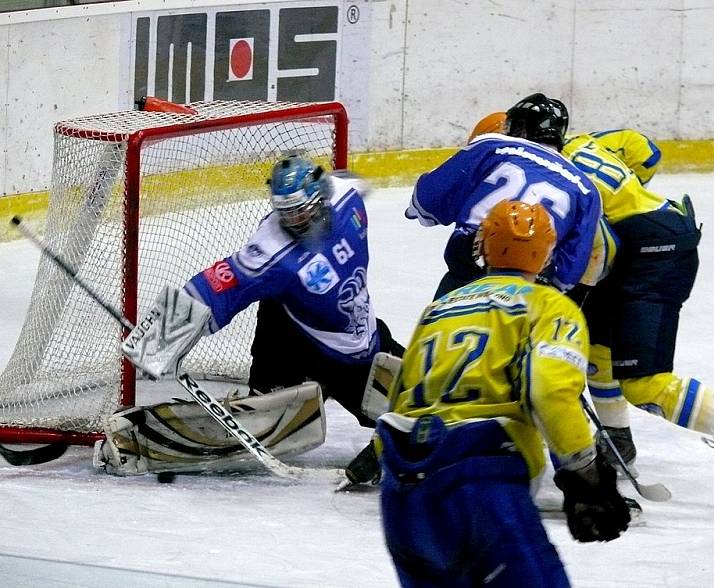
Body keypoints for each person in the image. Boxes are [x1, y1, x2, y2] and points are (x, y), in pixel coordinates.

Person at [376, 200, 630, 587]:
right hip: (481, 485)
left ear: (484, 247)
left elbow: (396, 396)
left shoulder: (439, 309)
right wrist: (586, 475)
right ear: (547, 254)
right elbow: (550, 390)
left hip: (403, 497)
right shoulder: (548, 305)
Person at [119, 155, 404, 476]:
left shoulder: (344, 194)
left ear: (320, 196)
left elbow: (350, 180)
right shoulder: (270, 249)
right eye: (286, 213)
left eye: (300, 210)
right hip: (306, 344)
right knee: (276, 304)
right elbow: (216, 285)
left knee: (426, 405)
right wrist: (158, 339)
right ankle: (269, 393)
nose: (293, 220)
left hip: (364, 340)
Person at [559, 128, 714, 497]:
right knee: (599, 347)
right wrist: (631, 197)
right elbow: (644, 150)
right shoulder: (582, 141)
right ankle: (619, 446)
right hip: (654, 237)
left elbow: (599, 251)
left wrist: (569, 296)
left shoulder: (556, 178)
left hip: (652, 258)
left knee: (643, 381)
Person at [405, 93, 606, 300]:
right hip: (530, 286)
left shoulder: (492, 145)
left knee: (445, 328)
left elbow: (426, 202)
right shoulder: (587, 189)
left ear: (524, 128)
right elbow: (568, 274)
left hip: (469, 269)